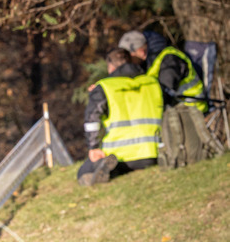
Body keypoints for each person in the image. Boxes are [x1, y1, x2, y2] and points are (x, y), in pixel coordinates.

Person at [77, 47, 163, 186]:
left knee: (84, 172)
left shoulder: (104, 87)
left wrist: (93, 147)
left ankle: (101, 172)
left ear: (111, 67)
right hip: (153, 153)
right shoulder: (153, 83)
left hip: (121, 157)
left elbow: (92, 119)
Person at [119, 30, 207, 113]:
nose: (127, 61)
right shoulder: (150, 64)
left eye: (129, 56)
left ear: (141, 52)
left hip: (193, 110)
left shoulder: (168, 59)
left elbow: (165, 93)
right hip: (179, 110)